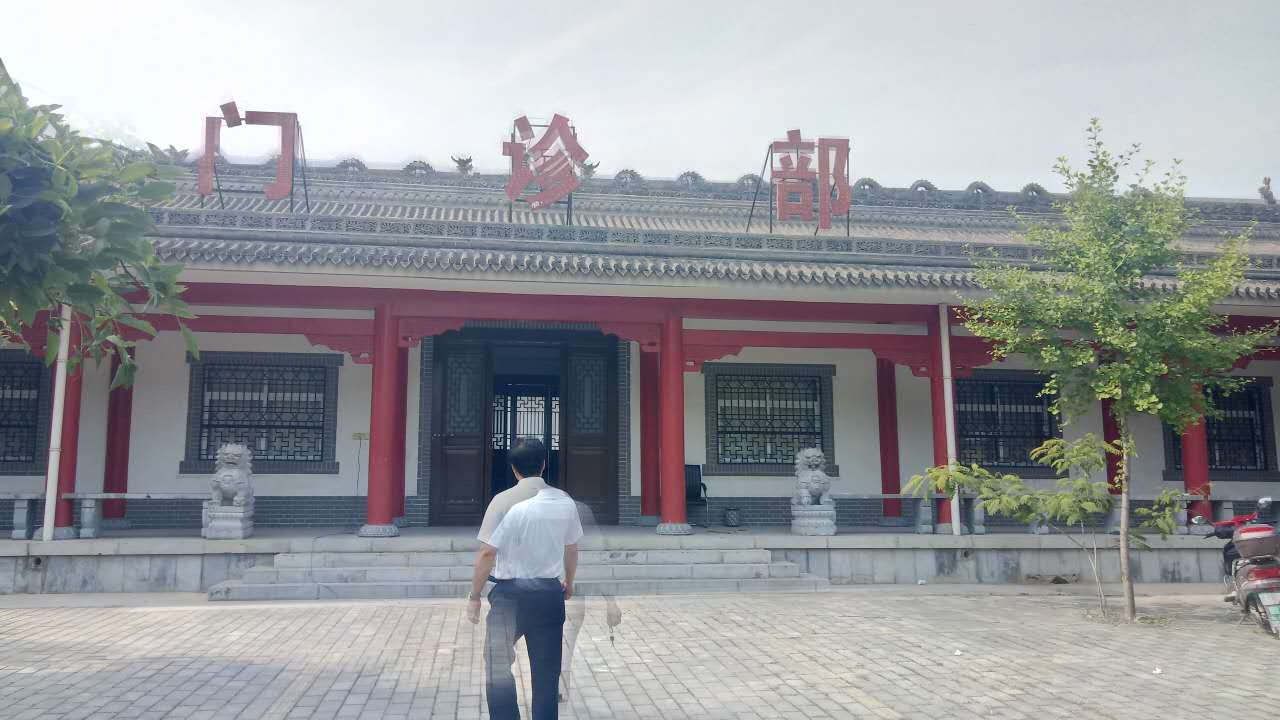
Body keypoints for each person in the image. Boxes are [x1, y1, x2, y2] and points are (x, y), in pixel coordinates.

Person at [468, 438, 583, 720]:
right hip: (548, 594)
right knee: (546, 674)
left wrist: (474, 596)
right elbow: (571, 548)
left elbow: (487, 553)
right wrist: (568, 583)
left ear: (513, 468)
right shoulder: (564, 501)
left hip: (510, 596)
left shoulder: (502, 501)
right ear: (543, 464)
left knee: (497, 665)